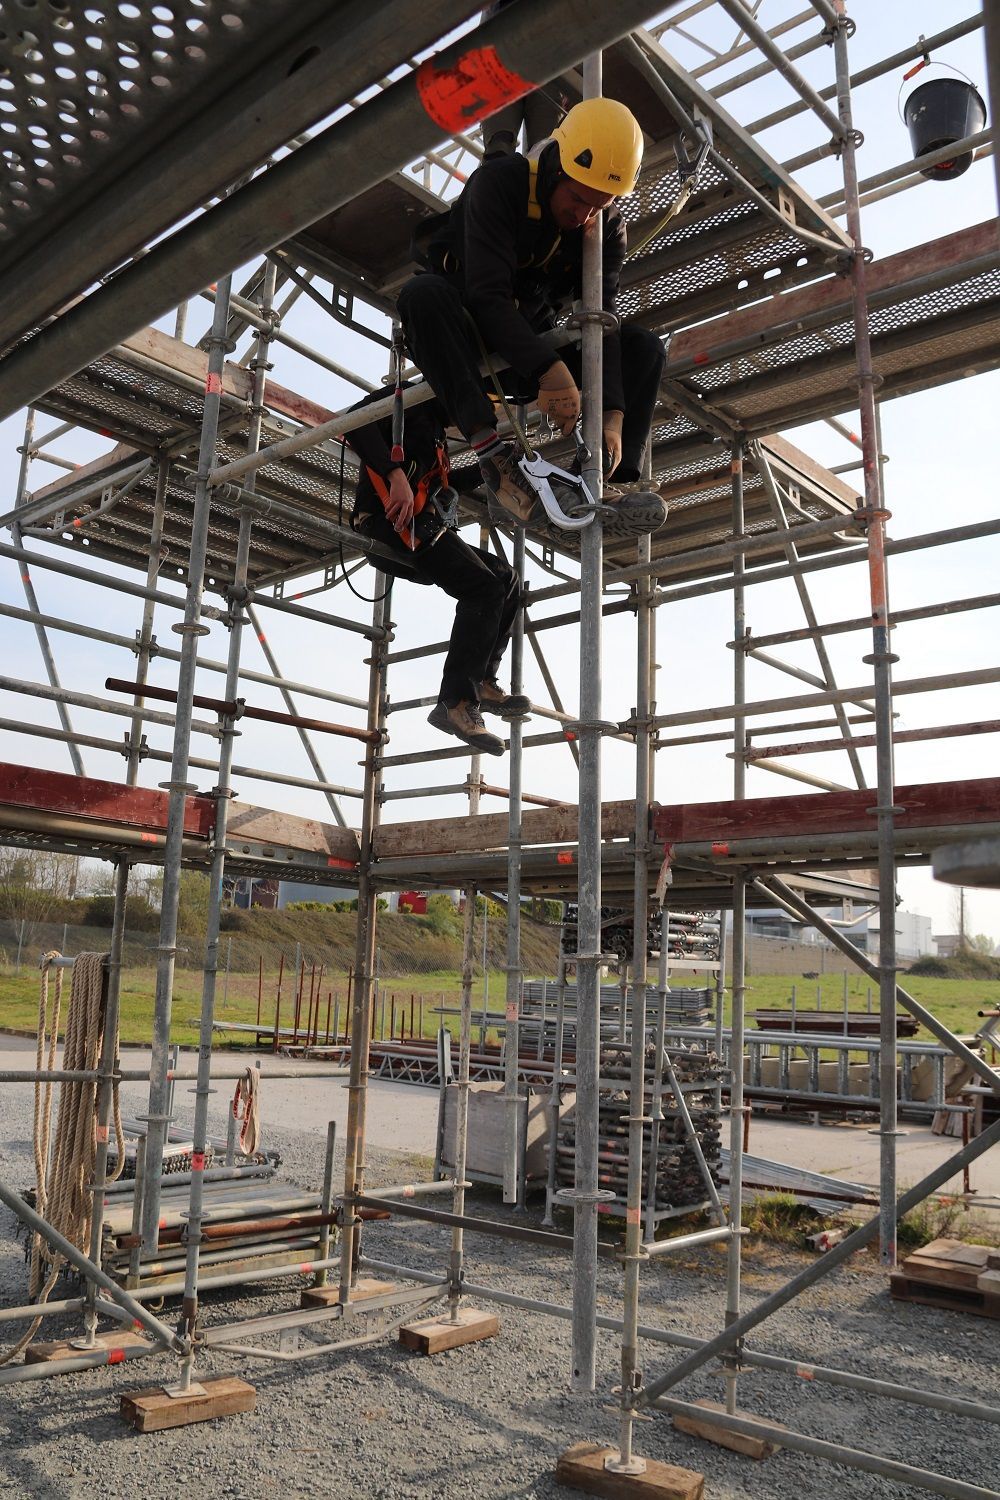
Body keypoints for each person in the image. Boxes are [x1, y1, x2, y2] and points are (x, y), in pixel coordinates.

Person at [397, 97, 668, 538]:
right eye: (578, 198)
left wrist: (614, 411)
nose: (583, 215)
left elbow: (603, 314)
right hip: (468, 344)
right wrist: (548, 369)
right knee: (421, 295)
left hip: (532, 345)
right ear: (557, 166)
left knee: (643, 346)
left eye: (598, 206)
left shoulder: (603, 226)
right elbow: (487, 296)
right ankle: (496, 462)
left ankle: (598, 483)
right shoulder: (500, 184)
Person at [347, 387, 527, 757]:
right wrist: (393, 474)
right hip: (390, 523)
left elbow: (440, 485)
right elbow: (355, 424)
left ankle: (480, 681)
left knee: (504, 579)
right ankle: (456, 702)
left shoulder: (434, 434)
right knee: (482, 588)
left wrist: (489, 468)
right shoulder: (411, 402)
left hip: (418, 525)